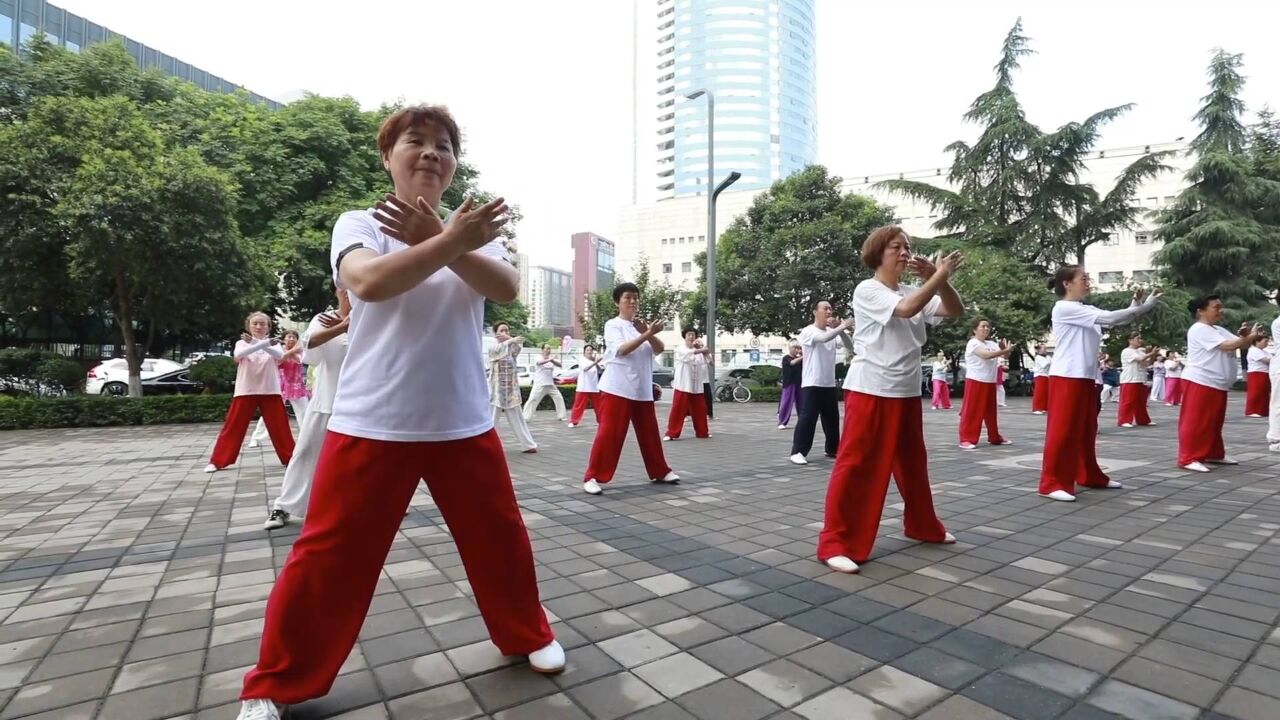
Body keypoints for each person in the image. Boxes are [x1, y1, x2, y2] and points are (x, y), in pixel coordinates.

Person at [236, 105, 561, 720]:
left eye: (444, 144)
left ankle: (530, 635)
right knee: (326, 557)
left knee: (500, 541)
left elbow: (505, 289)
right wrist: (447, 243)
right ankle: (273, 682)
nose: (432, 153)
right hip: (372, 420)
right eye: (415, 141)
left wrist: (446, 239)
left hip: (462, 420)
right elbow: (371, 283)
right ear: (389, 156)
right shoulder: (358, 222)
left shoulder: (474, 226)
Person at [818, 226, 962, 573]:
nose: (904, 252)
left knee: (914, 465)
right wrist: (938, 275)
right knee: (856, 466)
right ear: (877, 253)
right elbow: (908, 309)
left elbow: (955, 310)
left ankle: (923, 527)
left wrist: (938, 280)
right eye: (896, 247)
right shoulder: (868, 289)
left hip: (906, 391)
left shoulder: (915, 288)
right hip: (871, 389)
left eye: (908, 247)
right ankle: (835, 542)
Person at [1038, 267, 1161, 502]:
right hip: (1067, 376)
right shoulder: (1064, 308)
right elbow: (1113, 318)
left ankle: (1089, 474)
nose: (1088, 282)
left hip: (1086, 376)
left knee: (1087, 429)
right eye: (1083, 279)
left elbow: (1117, 320)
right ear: (1067, 284)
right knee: (1062, 431)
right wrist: (1146, 306)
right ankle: (1050, 482)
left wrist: (1136, 304)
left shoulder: (1086, 309)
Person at [264, 290, 351, 530]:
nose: (351, 294)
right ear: (338, 291)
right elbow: (309, 350)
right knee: (305, 453)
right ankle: (284, 506)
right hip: (327, 400)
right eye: (345, 289)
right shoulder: (323, 318)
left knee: (369, 458)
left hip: (363, 404)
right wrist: (342, 327)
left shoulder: (373, 317)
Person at [581, 283, 679, 495]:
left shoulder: (640, 326)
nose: (633, 301)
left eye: (635, 297)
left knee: (650, 433)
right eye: (628, 298)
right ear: (618, 302)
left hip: (641, 389)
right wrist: (646, 334)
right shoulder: (613, 325)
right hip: (617, 387)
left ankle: (660, 471)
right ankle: (592, 476)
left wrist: (648, 333)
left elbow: (659, 349)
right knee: (609, 434)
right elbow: (622, 350)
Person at [1178, 296, 1265, 473]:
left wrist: (1248, 336)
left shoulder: (1217, 329)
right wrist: (1247, 337)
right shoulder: (1199, 329)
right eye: (1216, 307)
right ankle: (1188, 458)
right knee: (1196, 422)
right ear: (1200, 311)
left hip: (1216, 383)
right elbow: (1229, 345)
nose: (1220, 311)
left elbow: (1241, 343)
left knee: (1214, 422)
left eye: (1220, 307)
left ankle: (1213, 453)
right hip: (1200, 380)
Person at [205, 313, 295, 473]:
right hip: (245, 389)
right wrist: (257, 343)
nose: (259, 327)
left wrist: (258, 343)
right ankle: (218, 461)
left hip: (270, 389)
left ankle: (290, 458)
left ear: (268, 327)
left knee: (280, 427)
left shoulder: (273, 345)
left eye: (262, 324)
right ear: (249, 327)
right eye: (255, 324)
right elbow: (238, 355)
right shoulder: (241, 343)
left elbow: (280, 356)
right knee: (233, 426)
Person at [790, 302, 854, 464]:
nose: (828, 311)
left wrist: (841, 329)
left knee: (832, 419)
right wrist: (842, 327)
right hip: (812, 382)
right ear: (815, 312)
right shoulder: (808, 331)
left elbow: (850, 346)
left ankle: (833, 449)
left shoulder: (833, 332)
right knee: (808, 417)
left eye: (830, 309)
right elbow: (823, 338)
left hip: (828, 383)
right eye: (825, 308)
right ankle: (798, 451)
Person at [958, 319, 1013, 449]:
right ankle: (966, 438)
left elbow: (1003, 357)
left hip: (990, 381)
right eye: (983, 326)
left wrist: (1006, 350)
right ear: (975, 329)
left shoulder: (991, 343)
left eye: (988, 327)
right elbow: (986, 355)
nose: (986, 329)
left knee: (991, 412)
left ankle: (994, 437)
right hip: (976, 381)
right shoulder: (973, 343)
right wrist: (1002, 351)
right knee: (972, 411)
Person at [249, 330, 309, 449]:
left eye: (294, 337)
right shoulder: (278, 349)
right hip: (279, 385)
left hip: (297, 385)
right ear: (284, 339)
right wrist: (292, 351)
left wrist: (294, 351)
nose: (291, 339)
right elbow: (279, 360)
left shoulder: (301, 351)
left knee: (304, 412)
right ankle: (255, 438)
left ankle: (306, 438)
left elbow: (301, 360)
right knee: (270, 413)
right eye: (289, 337)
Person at [489, 323, 538, 453]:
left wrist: (510, 339)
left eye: (506, 330)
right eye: (501, 330)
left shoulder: (511, 347)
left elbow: (517, 348)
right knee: (491, 418)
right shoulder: (494, 347)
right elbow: (496, 352)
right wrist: (509, 339)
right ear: (496, 333)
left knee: (517, 417)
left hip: (511, 389)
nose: (504, 332)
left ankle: (528, 445)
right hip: (497, 390)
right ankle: (487, 446)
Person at [666, 329, 712, 440]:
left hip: (697, 386)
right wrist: (701, 350)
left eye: (693, 335)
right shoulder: (680, 349)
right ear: (684, 336)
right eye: (689, 335)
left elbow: (710, 362)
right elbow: (687, 355)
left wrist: (705, 352)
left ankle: (702, 432)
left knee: (701, 409)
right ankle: (671, 433)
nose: (691, 337)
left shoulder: (700, 351)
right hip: (683, 385)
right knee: (678, 409)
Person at [1118, 333, 1160, 427]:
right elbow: (1140, 359)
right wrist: (1151, 353)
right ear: (1130, 340)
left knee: (1141, 402)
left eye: (1140, 338)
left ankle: (1143, 420)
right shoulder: (1127, 351)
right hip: (1129, 379)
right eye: (1137, 338)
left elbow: (1147, 363)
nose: (1140, 340)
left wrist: (1153, 355)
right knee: (1128, 401)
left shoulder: (1140, 351)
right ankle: (1124, 420)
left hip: (1140, 378)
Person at [523, 344, 567, 421]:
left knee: (559, 398)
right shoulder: (538, 357)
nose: (548, 350)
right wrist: (550, 359)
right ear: (542, 350)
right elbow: (539, 362)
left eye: (549, 349)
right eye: (546, 349)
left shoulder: (552, 359)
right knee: (532, 399)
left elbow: (559, 365)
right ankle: (525, 417)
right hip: (540, 384)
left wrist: (552, 360)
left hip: (550, 384)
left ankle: (561, 416)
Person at [567, 344, 602, 427]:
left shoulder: (594, 360)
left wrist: (596, 362)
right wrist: (595, 362)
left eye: (591, 350)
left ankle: (601, 421)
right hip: (583, 387)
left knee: (599, 405)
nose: (589, 352)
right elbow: (585, 369)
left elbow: (601, 369)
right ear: (584, 352)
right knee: (579, 405)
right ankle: (573, 421)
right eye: (587, 350)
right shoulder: (582, 359)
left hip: (594, 387)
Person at [778, 342, 804, 427]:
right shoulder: (786, 358)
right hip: (789, 383)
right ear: (790, 348)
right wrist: (802, 356)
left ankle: (802, 421)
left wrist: (802, 354)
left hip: (799, 383)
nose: (796, 350)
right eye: (795, 348)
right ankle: (782, 422)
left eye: (798, 348)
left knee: (801, 403)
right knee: (786, 402)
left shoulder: (800, 359)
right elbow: (792, 363)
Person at [1244, 335, 1270, 417]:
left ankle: (1263, 410)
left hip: (1265, 373)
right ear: (1257, 341)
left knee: (1264, 392)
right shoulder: (1253, 350)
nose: (1267, 344)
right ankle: (1252, 410)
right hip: (1256, 373)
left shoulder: (1265, 352)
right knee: (1256, 392)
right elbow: (1265, 360)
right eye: (1265, 341)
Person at [1031, 344, 1051, 414]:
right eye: (1044, 348)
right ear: (1039, 350)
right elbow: (1045, 365)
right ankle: (1037, 408)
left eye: (1046, 349)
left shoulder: (1047, 357)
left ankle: (1044, 407)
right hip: (1040, 375)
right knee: (1039, 392)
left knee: (1045, 393)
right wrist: (1050, 360)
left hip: (1046, 375)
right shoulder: (1038, 357)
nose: (1046, 350)